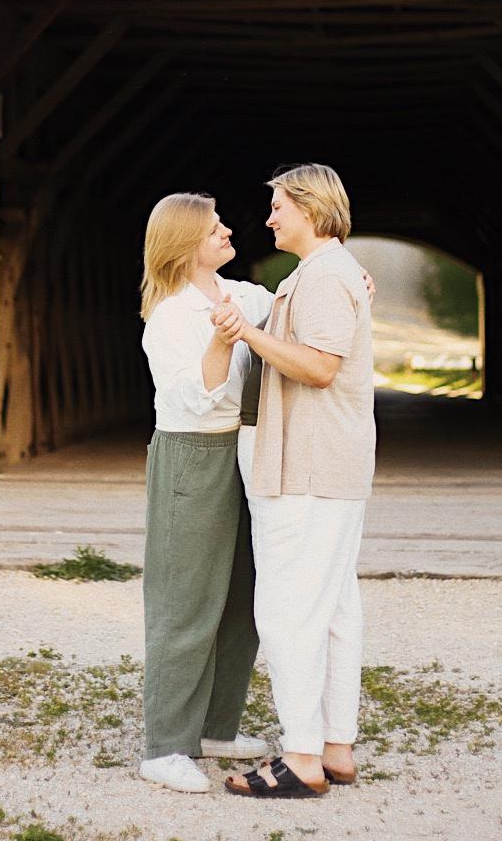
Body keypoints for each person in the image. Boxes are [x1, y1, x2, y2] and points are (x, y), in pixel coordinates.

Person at [212, 164, 375, 800]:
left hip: (306, 469)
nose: (271, 217)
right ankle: (335, 747)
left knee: (288, 612)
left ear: (310, 208)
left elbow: (319, 368)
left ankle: (302, 758)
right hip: (325, 465)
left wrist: (246, 333)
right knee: (332, 609)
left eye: (279, 206)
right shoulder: (327, 272)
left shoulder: (327, 275)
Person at [137, 192, 275, 793]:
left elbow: (291, 314)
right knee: (185, 601)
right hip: (191, 455)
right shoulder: (170, 317)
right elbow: (196, 397)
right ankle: (165, 746)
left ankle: (218, 727)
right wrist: (221, 342)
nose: (226, 231)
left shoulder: (239, 294)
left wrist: (351, 286)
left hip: (240, 453)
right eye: (214, 228)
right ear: (185, 243)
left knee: (242, 594)